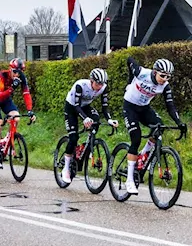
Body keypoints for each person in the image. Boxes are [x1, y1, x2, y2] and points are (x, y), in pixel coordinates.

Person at [120, 56, 184, 195]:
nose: (165, 79)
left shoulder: (165, 86)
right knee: (135, 138)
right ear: (155, 72)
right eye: (162, 75)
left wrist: (179, 123)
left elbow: (170, 107)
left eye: (168, 76)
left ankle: (142, 156)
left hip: (144, 108)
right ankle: (129, 180)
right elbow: (130, 59)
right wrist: (130, 81)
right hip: (130, 107)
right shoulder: (142, 73)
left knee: (159, 127)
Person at [61, 67, 118, 183]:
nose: (100, 86)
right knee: (73, 137)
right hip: (72, 107)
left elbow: (105, 106)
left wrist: (109, 120)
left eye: (102, 84)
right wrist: (85, 118)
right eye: (98, 83)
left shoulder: (103, 88)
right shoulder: (80, 85)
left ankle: (87, 146)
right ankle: (65, 168)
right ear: (91, 81)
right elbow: (76, 106)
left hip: (85, 107)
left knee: (96, 119)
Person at [0, 59, 36, 170]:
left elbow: (26, 94)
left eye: (19, 72)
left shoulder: (21, 78)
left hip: (6, 99)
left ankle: (7, 141)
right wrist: (12, 88)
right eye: (14, 71)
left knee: (16, 117)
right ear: (10, 69)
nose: (17, 74)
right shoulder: (1, 76)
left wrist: (30, 110)